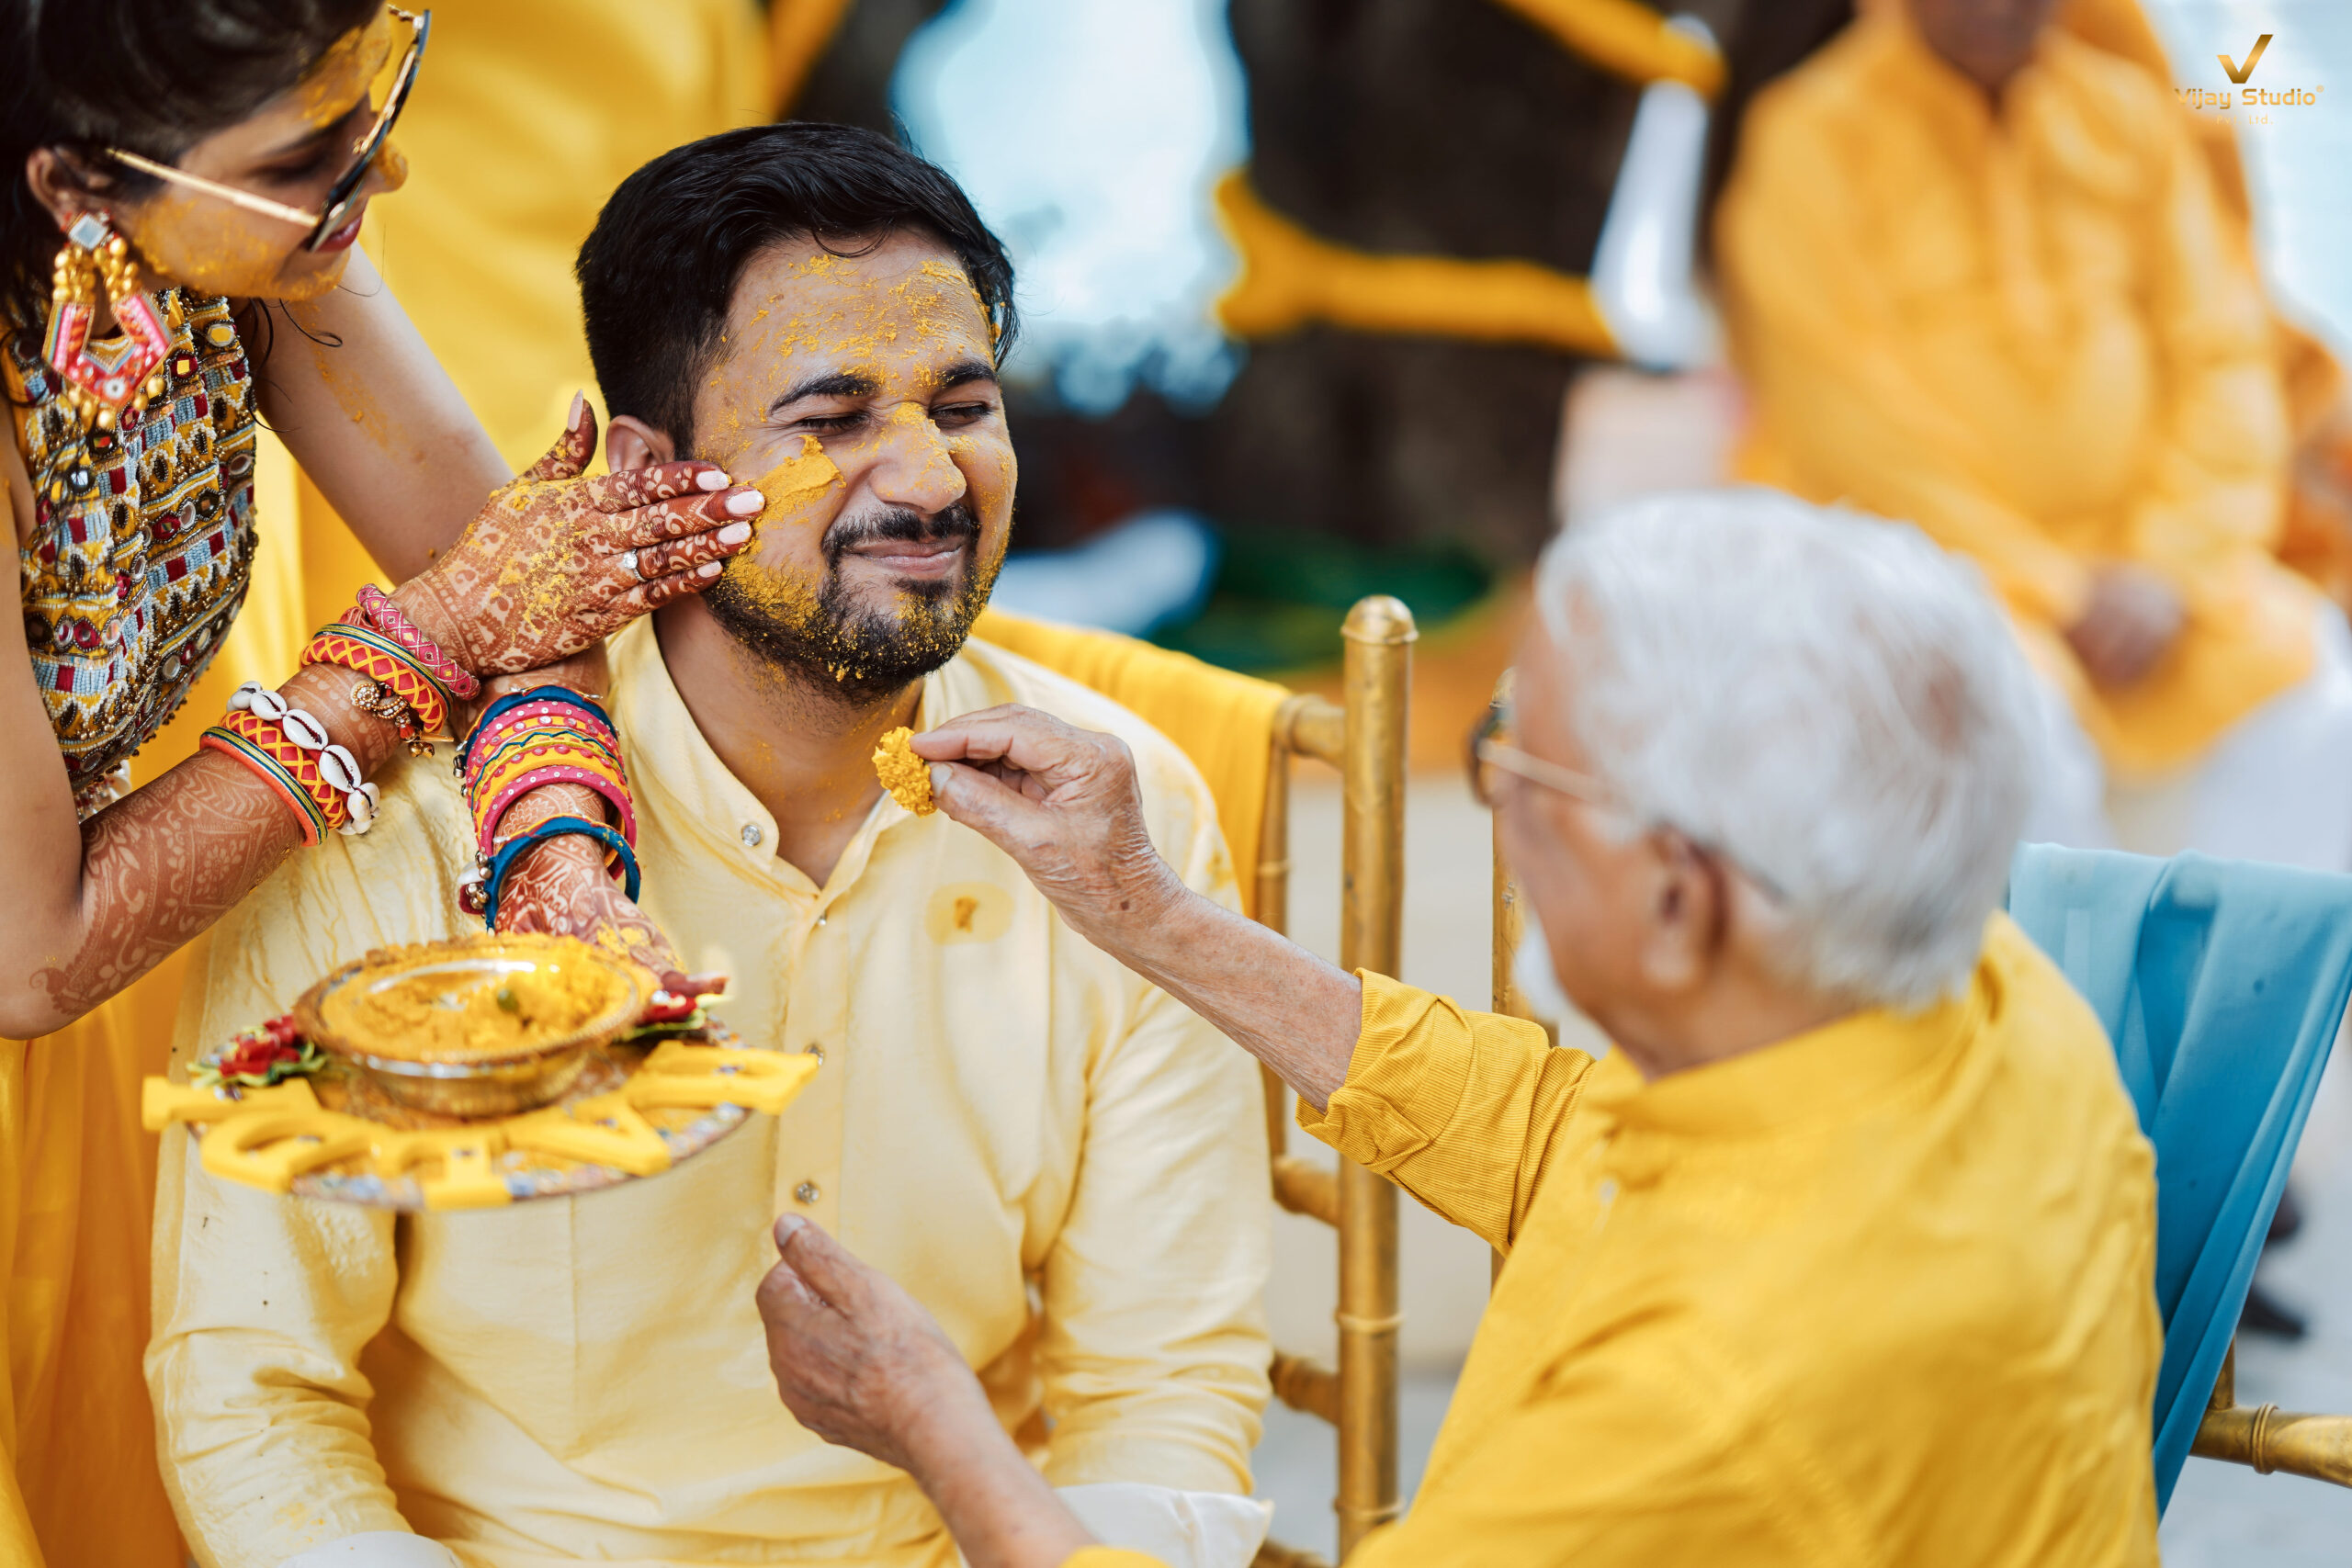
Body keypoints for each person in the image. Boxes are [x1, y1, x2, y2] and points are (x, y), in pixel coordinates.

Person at [148, 123, 1273, 1568]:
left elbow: (1163, 1383)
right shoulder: (404, 823)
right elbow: (252, 1389)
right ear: (649, 468)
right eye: (833, 416)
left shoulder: (1124, 816)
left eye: (965, 401)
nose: (930, 479)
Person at [753, 489, 2165, 1567]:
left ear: (1679, 894)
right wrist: (1146, 909)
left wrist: (931, 1416)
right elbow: (1572, 1139)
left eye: (1518, 764)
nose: (1489, 796)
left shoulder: (1701, 1409)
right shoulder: (1972, 992)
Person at [1, 2, 757, 1558]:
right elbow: (35, 944)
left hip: (130, 991)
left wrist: (559, 856)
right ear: (78, 188)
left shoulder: (259, 231)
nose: (385, 170)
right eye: (312, 154)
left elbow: (513, 581)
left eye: (377, 99)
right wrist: (428, 640)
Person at [1714, 0, 2352, 870]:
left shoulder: (2126, 116)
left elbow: (2226, 361)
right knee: (1997, 716)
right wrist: (2054, 586)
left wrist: (2168, 565)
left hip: (2155, 580)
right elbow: (1848, 427)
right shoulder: (1811, 136)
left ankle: (2233, 1002)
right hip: (1934, 567)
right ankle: (2066, 1003)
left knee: (2313, 688)